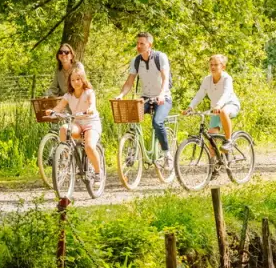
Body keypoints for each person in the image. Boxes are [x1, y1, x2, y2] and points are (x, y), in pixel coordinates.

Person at [116, 32, 173, 170]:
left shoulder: (160, 57)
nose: (139, 46)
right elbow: (130, 81)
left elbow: (165, 79)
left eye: (142, 43)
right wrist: (121, 94)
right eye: (137, 43)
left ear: (149, 45)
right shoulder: (136, 61)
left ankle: (167, 155)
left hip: (162, 97)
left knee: (157, 122)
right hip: (146, 97)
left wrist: (161, 94)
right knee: (130, 116)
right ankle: (133, 148)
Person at [50, 63, 103, 182]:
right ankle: (65, 159)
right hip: (78, 123)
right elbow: (59, 107)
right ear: (70, 82)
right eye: (73, 80)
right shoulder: (68, 95)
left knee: (89, 146)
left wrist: (91, 109)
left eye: (78, 79)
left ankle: (98, 172)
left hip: (91, 123)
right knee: (64, 129)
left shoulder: (89, 92)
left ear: (83, 79)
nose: (76, 82)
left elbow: (92, 104)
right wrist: (52, 112)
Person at [184, 54, 240, 151]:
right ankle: (214, 164)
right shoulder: (207, 80)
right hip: (215, 109)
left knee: (223, 111)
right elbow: (200, 94)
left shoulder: (227, 78)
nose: (213, 67)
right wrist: (190, 107)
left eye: (216, 65)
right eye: (211, 65)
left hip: (230, 105)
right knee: (211, 140)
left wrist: (218, 105)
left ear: (223, 67)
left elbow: (226, 93)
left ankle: (229, 141)